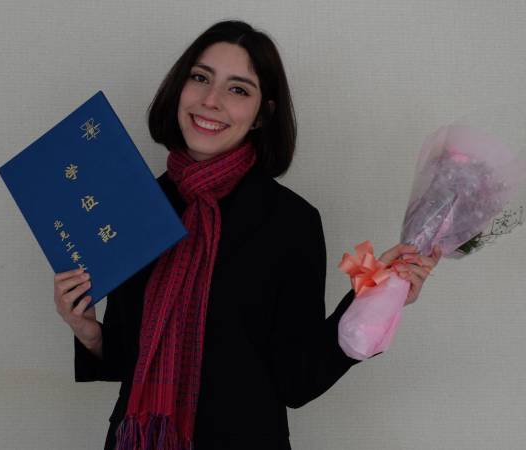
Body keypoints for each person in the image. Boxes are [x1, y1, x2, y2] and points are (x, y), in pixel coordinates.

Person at [53, 20, 441, 450]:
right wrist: (88, 331)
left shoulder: (290, 221)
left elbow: (298, 382)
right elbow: (127, 356)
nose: (211, 100)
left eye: (238, 89)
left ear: (262, 114)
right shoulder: (135, 206)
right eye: (200, 78)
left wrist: (373, 295)